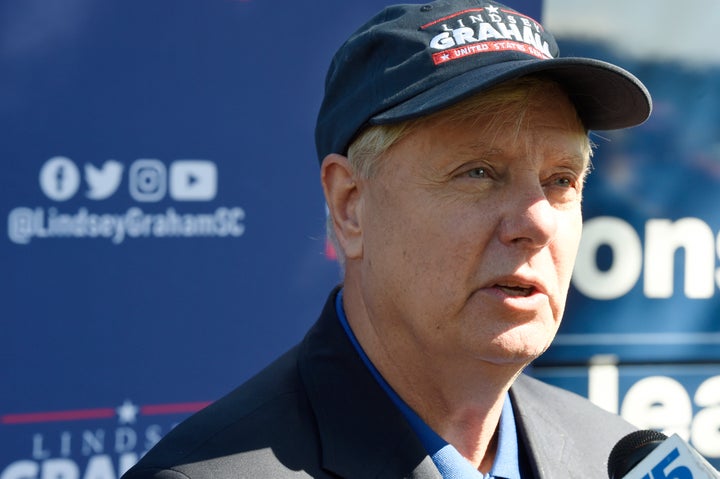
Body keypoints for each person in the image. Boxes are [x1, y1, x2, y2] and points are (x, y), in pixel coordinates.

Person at [122, 0, 651, 478]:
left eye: (561, 181)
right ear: (350, 204)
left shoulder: (611, 452)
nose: (537, 224)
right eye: (479, 172)